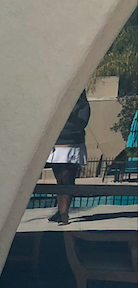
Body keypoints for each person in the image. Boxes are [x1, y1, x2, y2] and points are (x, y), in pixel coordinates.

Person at [47, 90, 91, 225]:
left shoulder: (82, 105)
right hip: (56, 144)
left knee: (67, 181)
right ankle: (60, 210)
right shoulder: (58, 103)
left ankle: (64, 214)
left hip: (71, 145)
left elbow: (81, 123)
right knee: (60, 181)